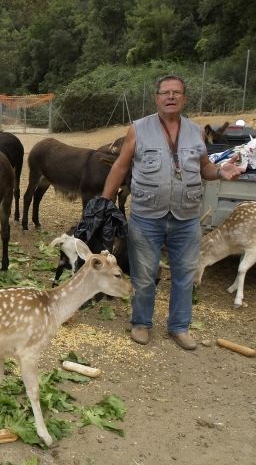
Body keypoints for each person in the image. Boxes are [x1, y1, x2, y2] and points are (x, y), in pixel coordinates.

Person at [101, 74, 244, 350]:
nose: (170, 97)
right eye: (165, 92)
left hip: (186, 218)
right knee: (144, 275)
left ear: (184, 98)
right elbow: (120, 166)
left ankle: (179, 327)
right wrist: (104, 203)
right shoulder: (138, 129)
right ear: (156, 98)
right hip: (146, 216)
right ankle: (141, 323)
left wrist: (220, 171)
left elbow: (204, 167)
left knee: (185, 274)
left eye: (176, 92)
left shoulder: (196, 132)